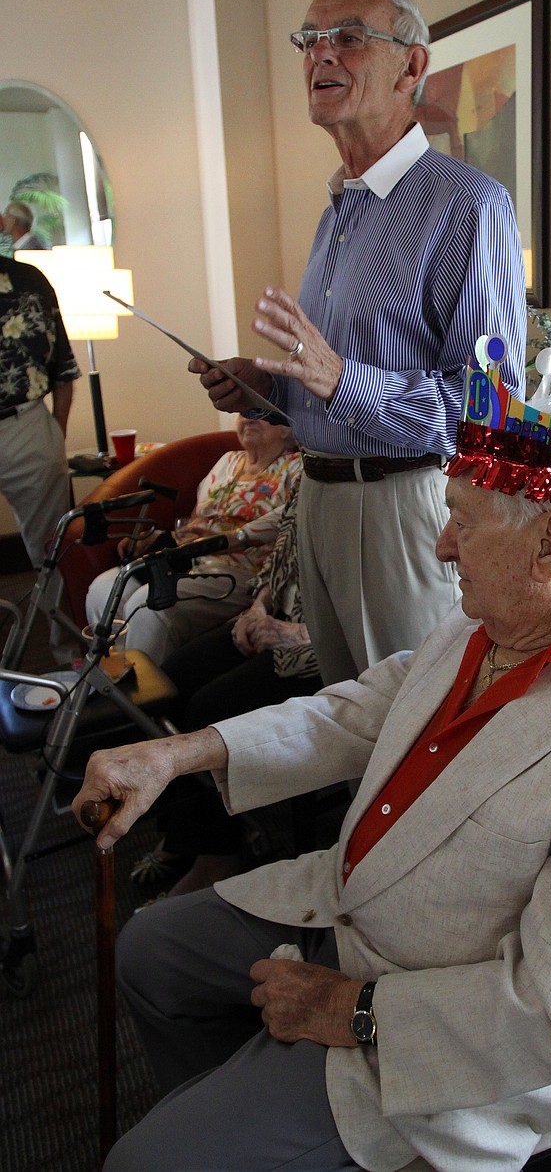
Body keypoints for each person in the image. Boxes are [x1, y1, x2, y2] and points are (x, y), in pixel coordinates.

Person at [73, 345, 551, 1172]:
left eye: (462, 520)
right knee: (149, 954)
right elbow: (360, 708)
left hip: (440, 1030)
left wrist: (352, 1008)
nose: (442, 546)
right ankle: (245, 1117)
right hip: (348, 906)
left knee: (140, 1164)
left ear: (550, 544)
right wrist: (176, 754)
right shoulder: (500, 611)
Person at [190, 0, 528, 685]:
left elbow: (490, 411)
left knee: (406, 725)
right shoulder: (337, 211)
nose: (321, 54)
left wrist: (344, 379)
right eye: (309, 40)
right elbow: (327, 389)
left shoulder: (469, 205)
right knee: (343, 720)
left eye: (347, 37)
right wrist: (264, 392)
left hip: (400, 511)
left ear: (411, 66)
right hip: (316, 501)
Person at [130, 481, 324, 897]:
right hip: (276, 619)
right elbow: (282, 551)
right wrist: (258, 609)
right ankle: (181, 834)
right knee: (170, 681)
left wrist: (289, 633)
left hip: (315, 650)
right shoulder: (315, 473)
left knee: (208, 710)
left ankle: (217, 859)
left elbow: (360, 627)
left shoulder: (376, 495)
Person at [84, 415, 298, 664]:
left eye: (260, 414)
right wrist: (160, 537)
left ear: (286, 428)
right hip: (187, 557)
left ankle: (148, 687)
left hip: (242, 569)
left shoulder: (296, 469)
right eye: (244, 413)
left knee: (149, 605)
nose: (249, 419)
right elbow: (197, 520)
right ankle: (115, 673)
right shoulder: (227, 461)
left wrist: (222, 539)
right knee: (104, 588)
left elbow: (289, 528)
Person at [0, 253, 79, 579]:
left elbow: (63, 364)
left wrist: (56, 435)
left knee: (53, 553)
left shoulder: (29, 280)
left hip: (26, 425)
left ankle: (58, 614)